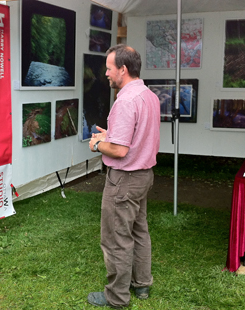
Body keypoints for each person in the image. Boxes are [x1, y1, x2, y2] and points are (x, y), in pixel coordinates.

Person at [88, 44, 160, 308]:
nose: (106, 73)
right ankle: (142, 285)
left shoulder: (125, 100)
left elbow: (119, 150)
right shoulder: (149, 95)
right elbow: (137, 136)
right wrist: (111, 135)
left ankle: (116, 297)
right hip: (143, 176)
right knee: (139, 231)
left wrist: (97, 144)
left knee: (116, 238)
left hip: (124, 180)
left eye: (109, 68)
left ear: (123, 69)